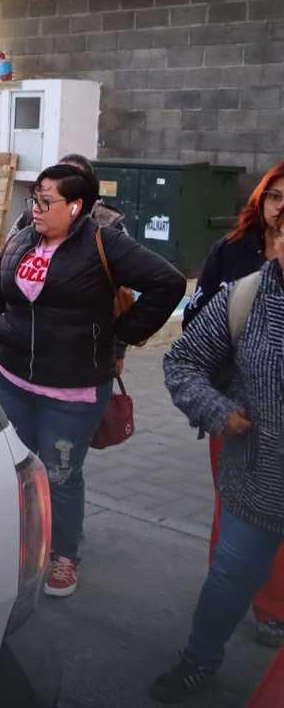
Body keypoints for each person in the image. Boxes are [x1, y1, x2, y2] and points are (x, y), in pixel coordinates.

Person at [0, 163, 185, 598]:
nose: (36, 210)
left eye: (46, 202)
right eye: (35, 200)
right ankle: (25, 542)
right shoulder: (21, 241)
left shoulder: (104, 244)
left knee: (61, 474)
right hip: (11, 379)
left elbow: (169, 282)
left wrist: (122, 334)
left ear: (76, 205)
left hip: (71, 391)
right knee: (18, 470)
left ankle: (65, 554)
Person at [151, 219, 284, 703]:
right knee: (229, 580)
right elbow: (182, 361)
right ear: (275, 242)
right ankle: (199, 658)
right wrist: (218, 411)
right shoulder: (244, 298)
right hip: (257, 480)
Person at [181, 163, 284, 649]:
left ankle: (272, 609)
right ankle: (222, 594)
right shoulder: (233, 252)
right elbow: (194, 324)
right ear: (261, 200)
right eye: (275, 195)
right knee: (235, 513)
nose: (280, 205)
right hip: (235, 414)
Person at [7, 154, 127, 239]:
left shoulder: (109, 224)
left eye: (71, 177)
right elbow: (6, 260)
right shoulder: (29, 218)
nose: (63, 182)